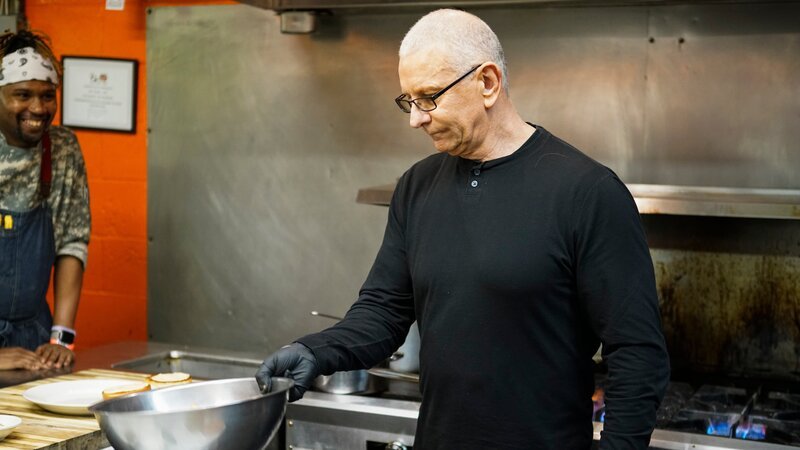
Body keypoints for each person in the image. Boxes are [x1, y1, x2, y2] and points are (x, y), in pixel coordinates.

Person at [257, 9, 669, 449]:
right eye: (408, 101)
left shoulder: (588, 193)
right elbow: (383, 312)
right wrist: (314, 351)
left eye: (429, 97)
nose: (415, 118)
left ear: (487, 83)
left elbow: (638, 354)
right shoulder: (417, 186)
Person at [0, 30, 90, 370]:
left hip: (33, 341)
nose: (38, 108)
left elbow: (72, 243)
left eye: (48, 95)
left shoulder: (62, 149)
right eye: (22, 94)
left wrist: (60, 338)